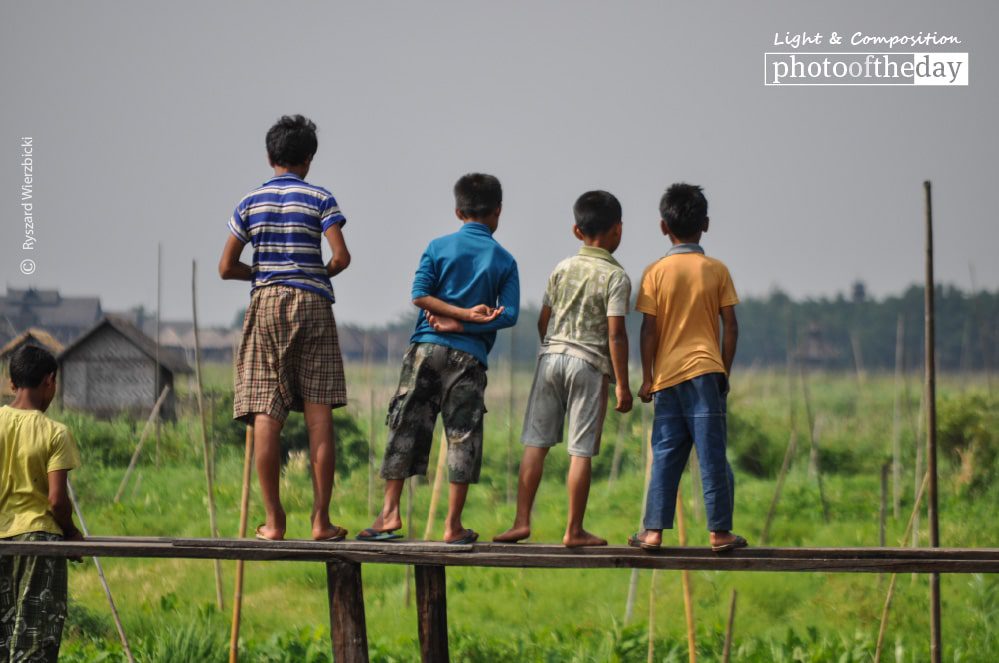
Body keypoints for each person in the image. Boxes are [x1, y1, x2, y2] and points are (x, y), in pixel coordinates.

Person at [359, 173, 519, 544]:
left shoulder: (437, 246)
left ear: (458, 211)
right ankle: (452, 526)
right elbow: (507, 314)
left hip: (425, 351)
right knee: (463, 436)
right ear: (498, 212)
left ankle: (389, 514)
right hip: (470, 358)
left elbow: (419, 295)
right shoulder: (504, 260)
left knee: (406, 426)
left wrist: (449, 319)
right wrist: (465, 320)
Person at [219, 114, 351, 542]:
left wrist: (259, 274)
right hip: (313, 302)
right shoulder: (320, 198)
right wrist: (318, 272)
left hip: (266, 304)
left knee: (265, 415)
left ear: (269, 156)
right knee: (318, 418)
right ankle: (321, 521)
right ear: (309, 158)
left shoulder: (249, 202)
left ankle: (274, 521)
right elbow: (341, 257)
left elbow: (225, 267)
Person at [494, 190, 632, 547]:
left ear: (576, 231)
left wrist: (552, 347)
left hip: (551, 357)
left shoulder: (562, 267)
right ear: (618, 230)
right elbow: (616, 335)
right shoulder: (617, 278)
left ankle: (521, 521)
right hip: (588, 365)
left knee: (535, 444)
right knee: (580, 450)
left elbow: (544, 319)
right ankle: (573, 530)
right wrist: (621, 384)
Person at [629, 183, 746, 553]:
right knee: (711, 452)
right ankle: (720, 532)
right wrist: (723, 370)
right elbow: (731, 325)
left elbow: (648, 329)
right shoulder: (716, 270)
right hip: (705, 373)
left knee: (665, 452)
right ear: (706, 224)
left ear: (664, 226)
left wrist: (647, 377)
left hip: (666, 378)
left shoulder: (655, 272)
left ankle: (651, 532)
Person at [0, 345, 83, 662]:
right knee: (35, 641)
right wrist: (72, 534)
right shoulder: (55, 433)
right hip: (38, 542)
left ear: (12, 383)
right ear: (50, 380)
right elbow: (56, 501)